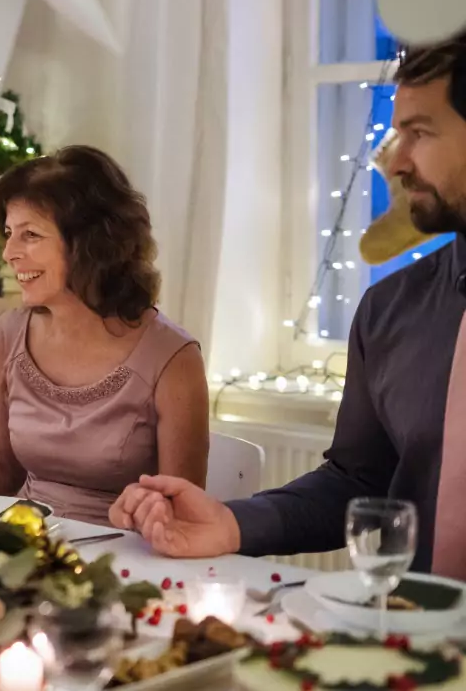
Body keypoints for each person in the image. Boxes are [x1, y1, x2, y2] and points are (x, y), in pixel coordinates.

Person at [109, 35, 466, 577]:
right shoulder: (389, 312)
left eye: (418, 133)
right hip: (421, 645)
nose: (397, 162)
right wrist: (232, 525)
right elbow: (359, 480)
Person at [0, 146, 211, 525]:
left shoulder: (172, 358)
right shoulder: (9, 333)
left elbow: (181, 514)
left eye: (30, 234)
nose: (10, 252)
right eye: (10, 233)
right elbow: (3, 470)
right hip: (23, 546)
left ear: (90, 245)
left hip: (122, 560)